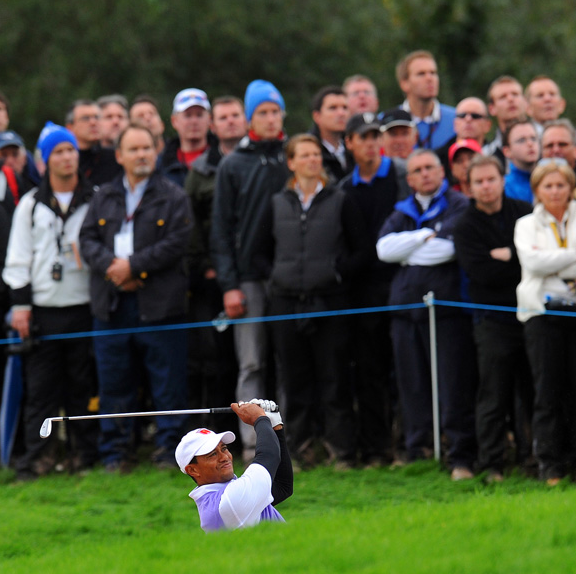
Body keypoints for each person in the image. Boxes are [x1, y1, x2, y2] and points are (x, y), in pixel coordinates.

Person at [79, 124, 194, 471]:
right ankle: (115, 454)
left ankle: (169, 452)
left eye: (146, 148)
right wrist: (113, 269)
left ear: (156, 151)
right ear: (119, 156)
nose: (141, 154)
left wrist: (134, 267)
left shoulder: (174, 195)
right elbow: (87, 240)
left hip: (160, 307)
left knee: (167, 384)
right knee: (114, 385)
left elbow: (178, 241)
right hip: (112, 307)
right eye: (133, 149)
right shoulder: (103, 195)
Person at [262, 133, 370, 469]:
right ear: (291, 162)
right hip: (286, 303)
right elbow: (257, 252)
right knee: (293, 381)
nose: (312, 160)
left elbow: (362, 251)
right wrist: (277, 277)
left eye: (316, 154)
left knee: (334, 377)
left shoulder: (340, 199)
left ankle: (341, 451)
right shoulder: (277, 202)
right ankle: (298, 451)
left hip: (329, 302)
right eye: (304, 155)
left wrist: (337, 274)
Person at [4, 122, 97, 480]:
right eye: (58, 152)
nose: (66, 157)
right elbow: (18, 260)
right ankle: (38, 459)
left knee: (83, 388)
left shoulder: (95, 197)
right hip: (44, 310)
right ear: (44, 160)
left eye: (70, 150)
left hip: (84, 306)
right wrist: (22, 307)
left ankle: (83, 456)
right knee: (41, 391)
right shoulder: (29, 205)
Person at [376, 149, 477, 480]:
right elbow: (384, 250)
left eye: (429, 168)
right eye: (417, 170)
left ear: (442, 172)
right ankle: (418, 450)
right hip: (405, 310)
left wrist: (407, 250)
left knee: (452, 383)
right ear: (410, 179)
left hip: (446, 311)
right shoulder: (401, 211)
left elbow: (446, 250)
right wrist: (423, 235)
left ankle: (459, 453)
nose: (424, 174)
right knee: (412, 384)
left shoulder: (459, 204)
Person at [211, 80, 291, 462]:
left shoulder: (294, 156)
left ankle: (285, 443)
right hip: (248, 279)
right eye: (263, 112)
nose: (271, 118)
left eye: (276, 111)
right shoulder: (233, 164)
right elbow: (221, 230)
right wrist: (230, 284)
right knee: (253, 363)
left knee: (287, 359)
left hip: (290, 277)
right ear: (250, 118)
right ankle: (249, 445)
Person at [514, 159, 576, 484]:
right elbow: (533, 263)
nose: (555, 191)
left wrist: (558, 261)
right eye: (547, 186)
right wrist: (574, 256)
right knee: (547, 392)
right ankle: (551, 467)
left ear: (571, 187)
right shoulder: (526, 224)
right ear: (537, 190)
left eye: (560, 185)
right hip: (542, 313)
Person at [453, 155, 534, 481]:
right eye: (479, 182)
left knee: (532, 391)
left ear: (502, 180)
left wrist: (510, 255)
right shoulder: (465, 225)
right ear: (469, 187)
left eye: (491, 179)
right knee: (493, 394)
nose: (486, 186)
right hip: (491, 319)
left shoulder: (524, 213)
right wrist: (517, 258)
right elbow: (480, 272)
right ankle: (492, 464)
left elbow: (534, 260)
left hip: (529, 314)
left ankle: (533, 459)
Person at [340, 113, 410, 467]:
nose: (370, 143)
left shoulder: (400, 176)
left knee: (405, 370)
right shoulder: (343, 188)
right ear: (349, 142)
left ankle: (409, 445)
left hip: (400, 286)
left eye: (374, 136)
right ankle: (376, 449)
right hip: (362, 295)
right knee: (369, 374)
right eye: (362, 137)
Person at [183, 96, 247, 433]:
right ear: (214, 126)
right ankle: (220, 433)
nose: (231, 122)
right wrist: (208, 266)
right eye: (224, 117)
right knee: (215, 361)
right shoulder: (199, 171)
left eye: (236, 115)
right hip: (212, 279)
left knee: (252, 360)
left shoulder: (259, 162)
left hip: (252, 273)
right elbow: (190, 223)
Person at [176, 400, 293, 533]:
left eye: (224, 448)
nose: (224, 457)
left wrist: (275, 427)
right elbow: (269, 456)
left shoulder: (228, 493)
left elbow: (282, 486)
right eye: (213, 454)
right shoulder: (226, 504)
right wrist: (260, 419)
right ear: (192, 470)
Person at [394, 50, 455, 149]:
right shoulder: (387, 122)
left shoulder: (457, 120)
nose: (429, 78)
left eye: (433, 73)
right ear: (404, 84)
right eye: (421, 74)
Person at [160, 88, 213, 187]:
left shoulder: (223, 158)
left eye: (199, 115)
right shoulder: (160, 164)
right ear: (174, 121)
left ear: (209, 119)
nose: (194, 121)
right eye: (187, 115)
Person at [66, 99, 122, 187]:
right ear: (70, 127)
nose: (93, 122)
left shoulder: (115, 159)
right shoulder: (65, 160)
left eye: (97, 117)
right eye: (86, 118)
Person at [310, 86, 352, 180]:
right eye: (333, 108)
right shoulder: (306, 151)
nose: (341, 113)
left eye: (345, 108)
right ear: (317, 116)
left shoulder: (354, 147)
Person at [502, 118, 540, 203]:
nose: (530, 144)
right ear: (507, 151)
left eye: (533, 138)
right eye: (521, 140)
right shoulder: (503, 187)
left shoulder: (551, 180)